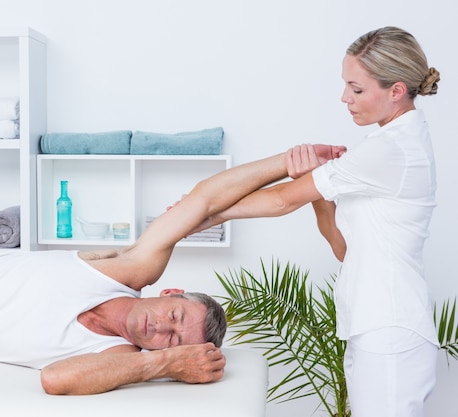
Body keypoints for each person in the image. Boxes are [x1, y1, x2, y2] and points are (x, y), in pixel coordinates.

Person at [0, 143, 344, 396]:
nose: (160, 327)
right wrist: (288, 162)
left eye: (171, 340)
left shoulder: (117, 355)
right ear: (171, 291)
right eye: (172, 313)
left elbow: (56, 380)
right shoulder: (128, 269)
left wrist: (161, 365)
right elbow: (205, 197)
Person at [187, 26, 441, 417]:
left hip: (391, 332)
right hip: (371, 327)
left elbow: (280, 200)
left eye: (356, 89)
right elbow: (344, 250)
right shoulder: (385, 146)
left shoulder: (394, 149)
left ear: (396, 90)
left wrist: (200, 215)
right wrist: (321, 193)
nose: (345, 98)